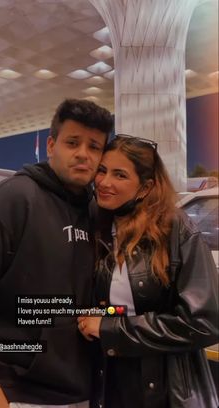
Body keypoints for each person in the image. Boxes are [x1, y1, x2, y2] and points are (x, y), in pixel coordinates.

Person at [0, 99, 113, 408]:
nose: (83, 153)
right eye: (72, 142)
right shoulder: (11, 201)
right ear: (51, 145)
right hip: (17, 391)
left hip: (84, 390)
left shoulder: (98, 213)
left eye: (94, 147)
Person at [77, 135, 219, 408]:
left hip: (167, 388)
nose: (105, 182)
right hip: (110, 380)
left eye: (120, 175)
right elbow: (122, 305)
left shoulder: (175, 228)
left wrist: (110, 329)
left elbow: (204, 322)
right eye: (102, 171)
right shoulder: (99, 225)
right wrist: (102, 315)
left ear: (145, 187)